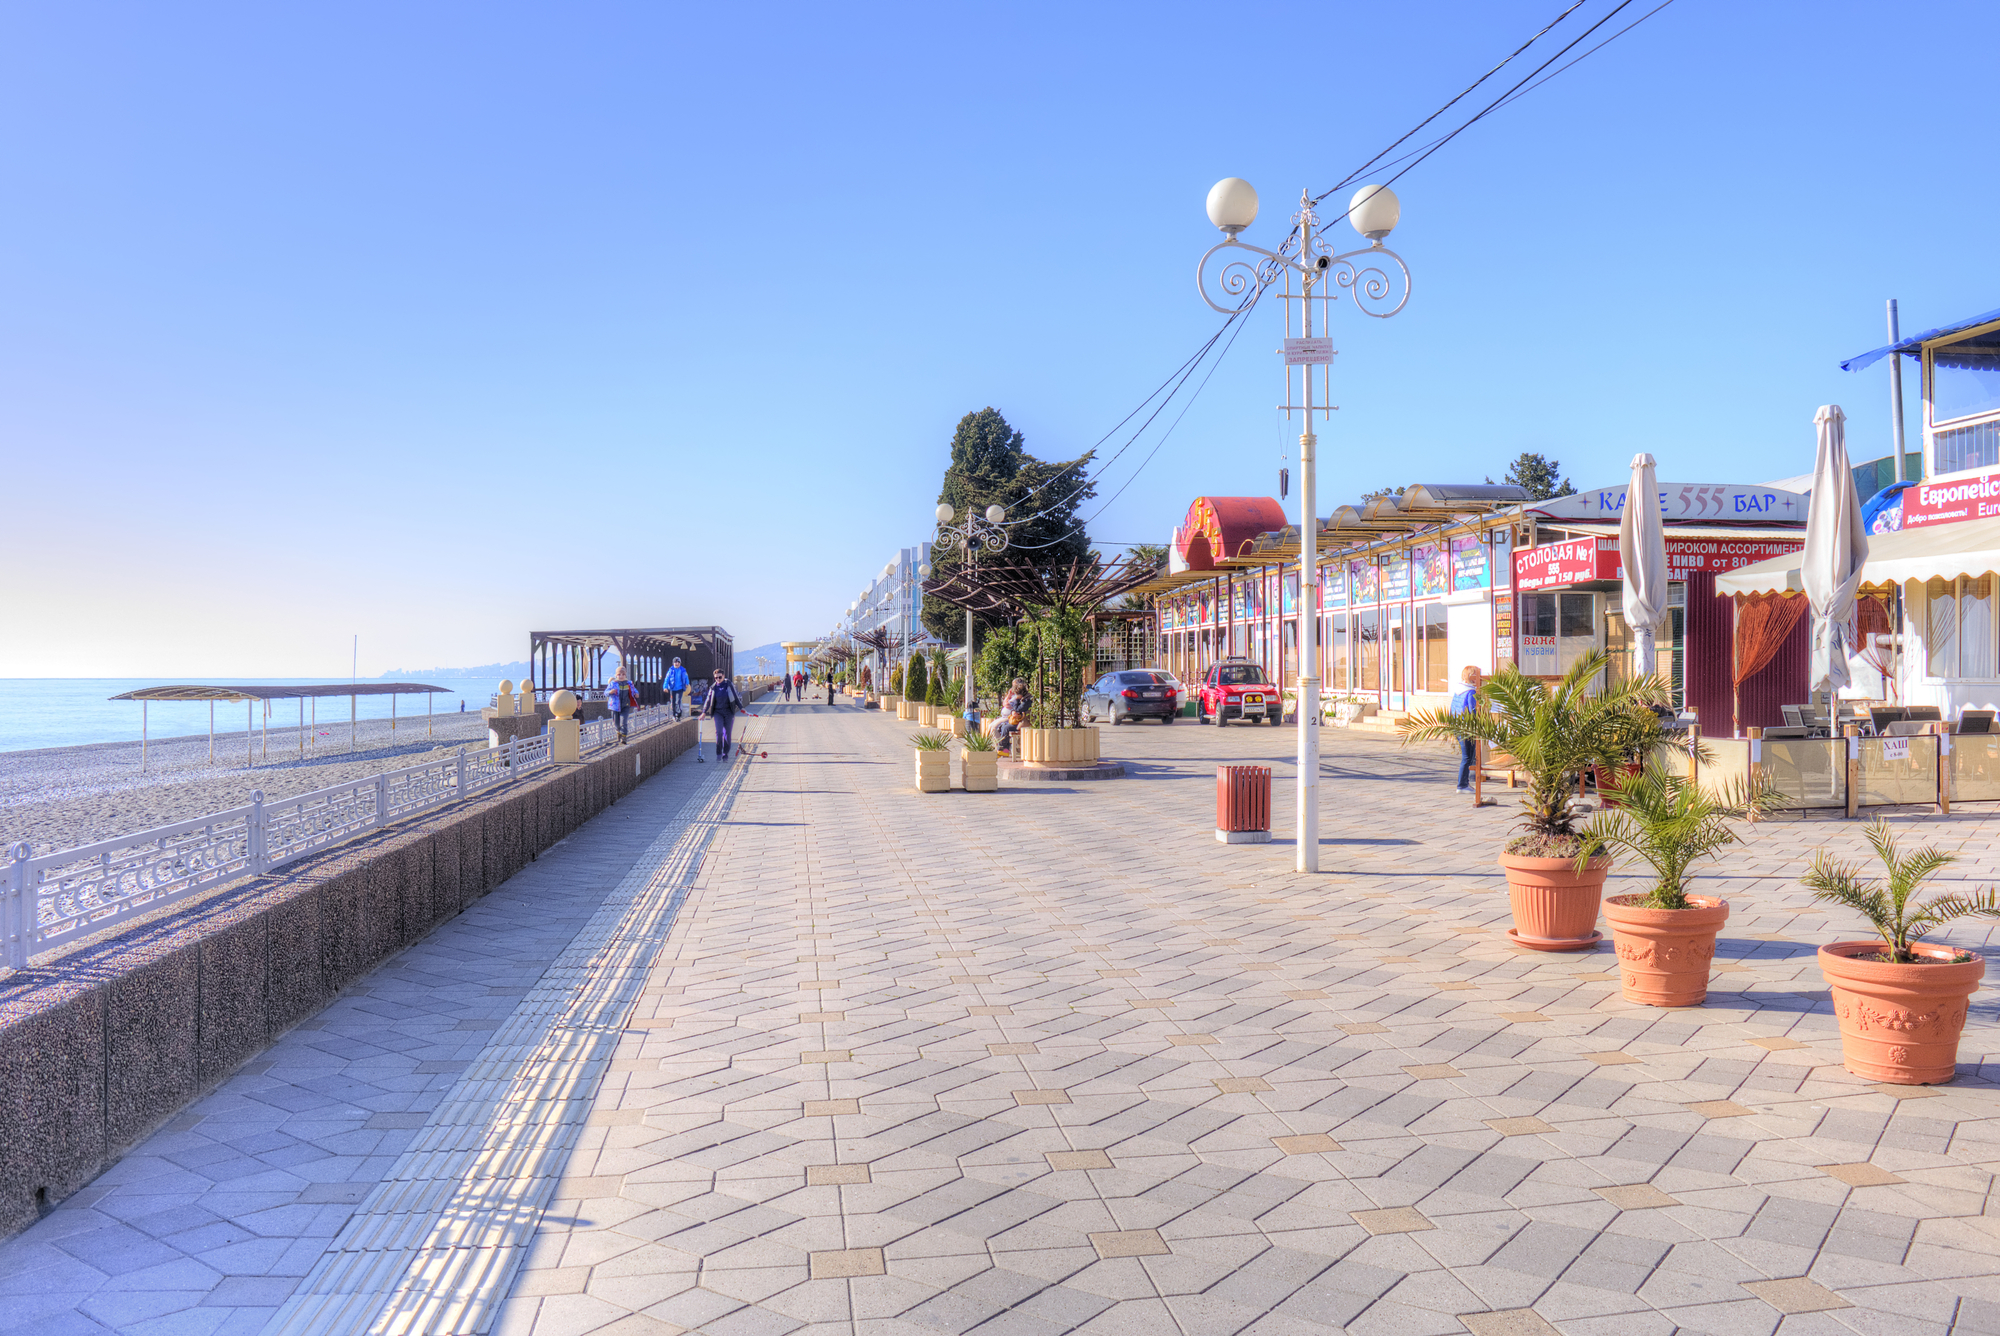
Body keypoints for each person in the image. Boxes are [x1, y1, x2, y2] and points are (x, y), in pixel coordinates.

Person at [1450, 665, 1482, 793]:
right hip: (1467, 728)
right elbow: (1473, 711)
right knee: (1467, 757)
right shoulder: (1471, 692)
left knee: (1466, 757)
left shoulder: (1458, 690)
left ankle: (1463, 784)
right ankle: (1462, 785)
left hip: (1458, 727)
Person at [703, 669, 745, 759]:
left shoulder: (729, 685)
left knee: (727, 733)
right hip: (718, 712)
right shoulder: (713, 688)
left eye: (720, 677)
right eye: (716, 678)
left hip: (728, 712)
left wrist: (741, 708)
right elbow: (708, 700)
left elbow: (735, 697)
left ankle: (725, 753)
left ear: (723, 676)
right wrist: (703, 712)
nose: (718, 679)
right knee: (719, 732)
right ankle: (718, 752)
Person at [608, 665, 638, 744]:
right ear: (616, 675)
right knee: (616, 723)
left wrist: (636, 694)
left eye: (623, 674)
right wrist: (610, 692)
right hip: (615, 706)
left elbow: (634, 690)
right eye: (619, 674)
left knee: (623, 721)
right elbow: (606, 692)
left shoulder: (629, 683)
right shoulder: (613, 683)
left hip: (625, 705)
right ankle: (618, 731)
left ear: (625, 675)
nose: (621, 676)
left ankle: (624, 737)